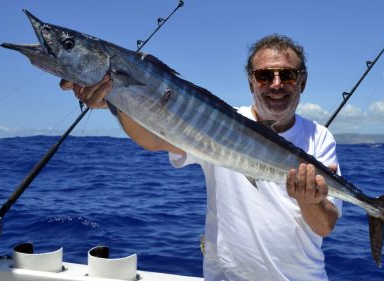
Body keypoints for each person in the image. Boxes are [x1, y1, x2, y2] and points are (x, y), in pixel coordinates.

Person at [61, 34, 342, 281]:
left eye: (288, 75)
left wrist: (310, 202)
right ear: (251, 83)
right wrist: (115, 101)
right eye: (265, 75)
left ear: (302, 82)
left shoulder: (319, 137)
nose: (276, 84)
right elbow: (154, 139)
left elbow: (324, 225)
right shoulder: (216, 123)